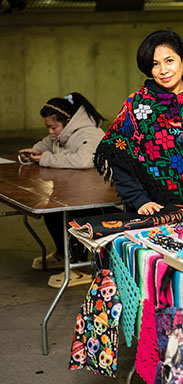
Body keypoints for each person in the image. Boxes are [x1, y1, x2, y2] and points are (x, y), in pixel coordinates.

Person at [94, 30, 183, 215]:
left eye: (169, 61)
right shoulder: (137, 104)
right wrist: (139, 200)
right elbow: (119, 154)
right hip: (156, 208)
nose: (163, 70)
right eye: (155, 64)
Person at [19, 92, 106, 287]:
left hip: (94, 198)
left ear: (69, 121)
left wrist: (45, 158)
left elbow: (83, 161)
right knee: (52, 211)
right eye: (47, 127)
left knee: (71, 215)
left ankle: (81, 267)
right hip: (72, 191)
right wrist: (37, 151)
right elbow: (45, 144)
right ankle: (62, 254)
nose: (50, 131)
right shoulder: (61, 134)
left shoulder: (90, 134)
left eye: (53, 127)